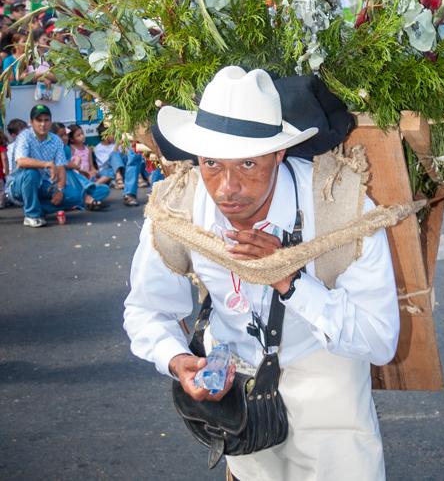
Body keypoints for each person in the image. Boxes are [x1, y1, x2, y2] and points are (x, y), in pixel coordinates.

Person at [124, 66, 398, 480]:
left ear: (279, 154)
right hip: (239, 386)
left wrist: (290, 280)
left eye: (249, 164)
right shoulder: (178, 208)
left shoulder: (341, 210)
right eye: (212, 163)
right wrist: (177, 359)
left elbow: (380, 341)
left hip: (326, 380)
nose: (227, 188)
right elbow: (146, 309)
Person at [5, 104, 69, 227]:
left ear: (51, 122)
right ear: (31, 122)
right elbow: (21, 161)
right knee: (31, 173)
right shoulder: (24, 136)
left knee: (73, 195)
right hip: (18, 185)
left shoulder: (56, 140)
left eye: (46, 120)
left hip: (44, 184)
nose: (43, 124)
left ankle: (40, 207)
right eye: (39, 120)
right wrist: (46, 164)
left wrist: (60, 190)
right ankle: (32, 215)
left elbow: (61, 167)